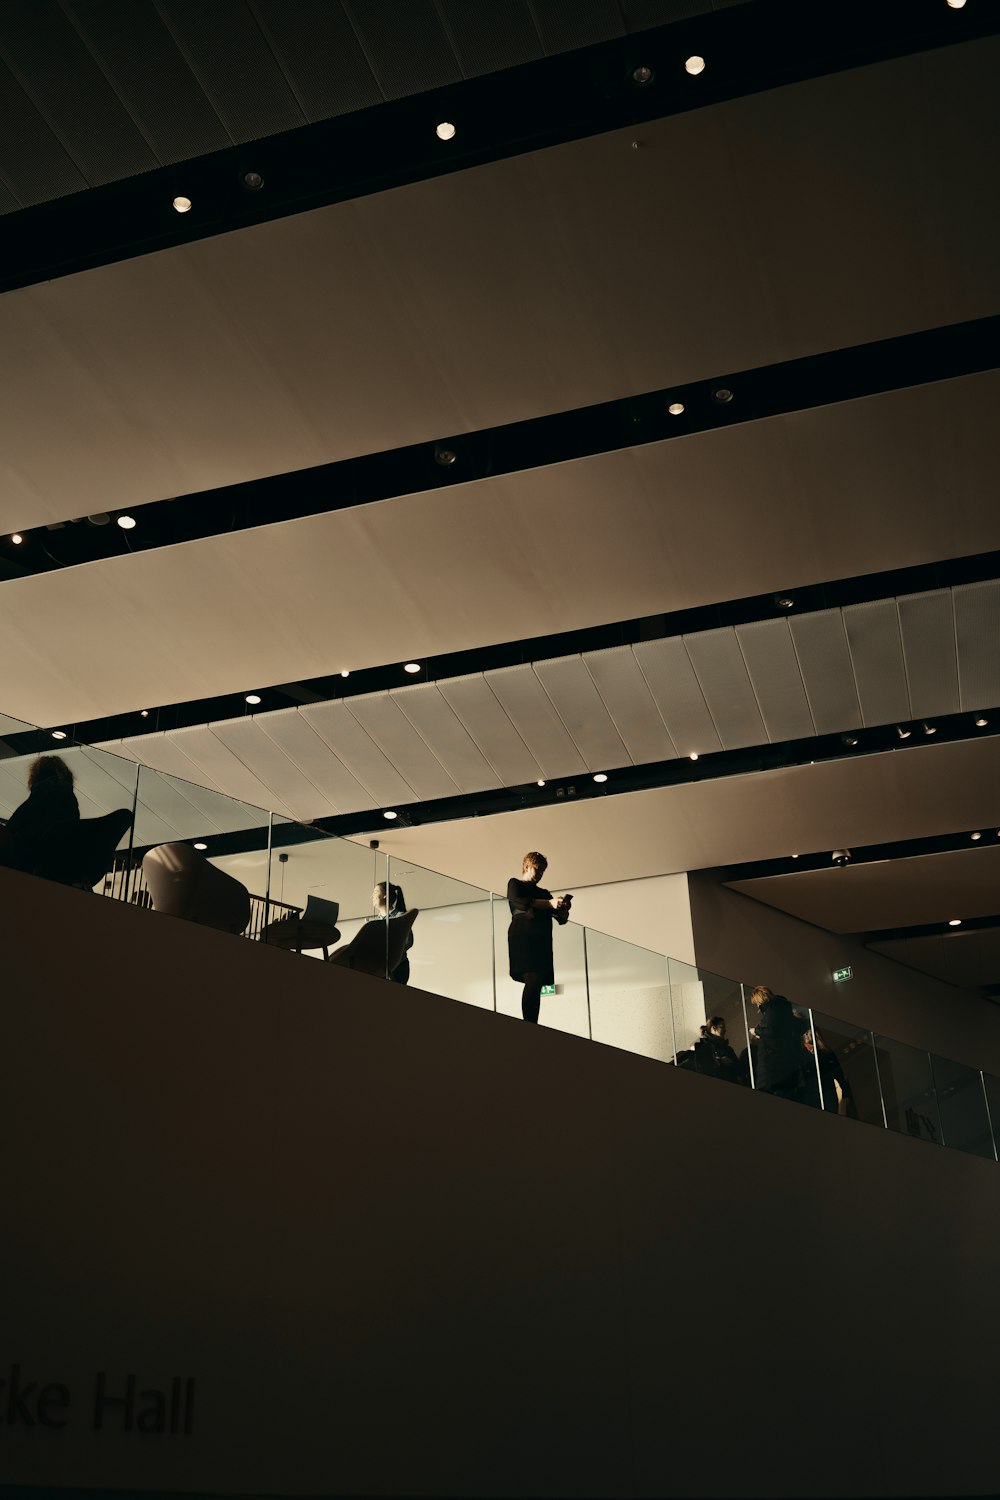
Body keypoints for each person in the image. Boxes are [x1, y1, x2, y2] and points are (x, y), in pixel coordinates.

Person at [507, 851, 570, 1024]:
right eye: (538, 869)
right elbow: (519, 901)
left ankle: (532, 1023)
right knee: (533, 980)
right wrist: (549, 904)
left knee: (537, 982)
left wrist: (563, 909)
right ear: (527, 866)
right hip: (524, 936)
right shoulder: (515, 883)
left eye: (543, 870)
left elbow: (560, 919)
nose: (541, 874)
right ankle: (530, 1024)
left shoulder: (544, 892)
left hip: (541, 940)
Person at [0, 754, 80, 875]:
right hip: (57, 861)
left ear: (36, 775)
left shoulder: (46, 790)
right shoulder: (70, 799)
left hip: (29, 859)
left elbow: (16, 824)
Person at [748, 985, 809, 1101]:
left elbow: (770, 1029)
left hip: (773, 1071)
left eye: (757, 1003)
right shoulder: (784, 1011)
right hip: (788, 1070)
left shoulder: (772, 1010)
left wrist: (756, 1031)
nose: (757, 1006)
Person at [367, 881, 413, 984]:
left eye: (375, 892)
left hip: (398, 967)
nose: (372, 896)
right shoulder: (375, 922)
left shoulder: (400, 917)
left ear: (385, 895)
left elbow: (408, 941)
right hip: (379, 968)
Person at [693, 1016, 740, 1083]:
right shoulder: (703, 1047)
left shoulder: (728, 1049)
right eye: (722, 1027)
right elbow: (703, 1066)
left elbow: (739, 1067)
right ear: (713, 1028)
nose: (725, 1030)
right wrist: (720, 1061)